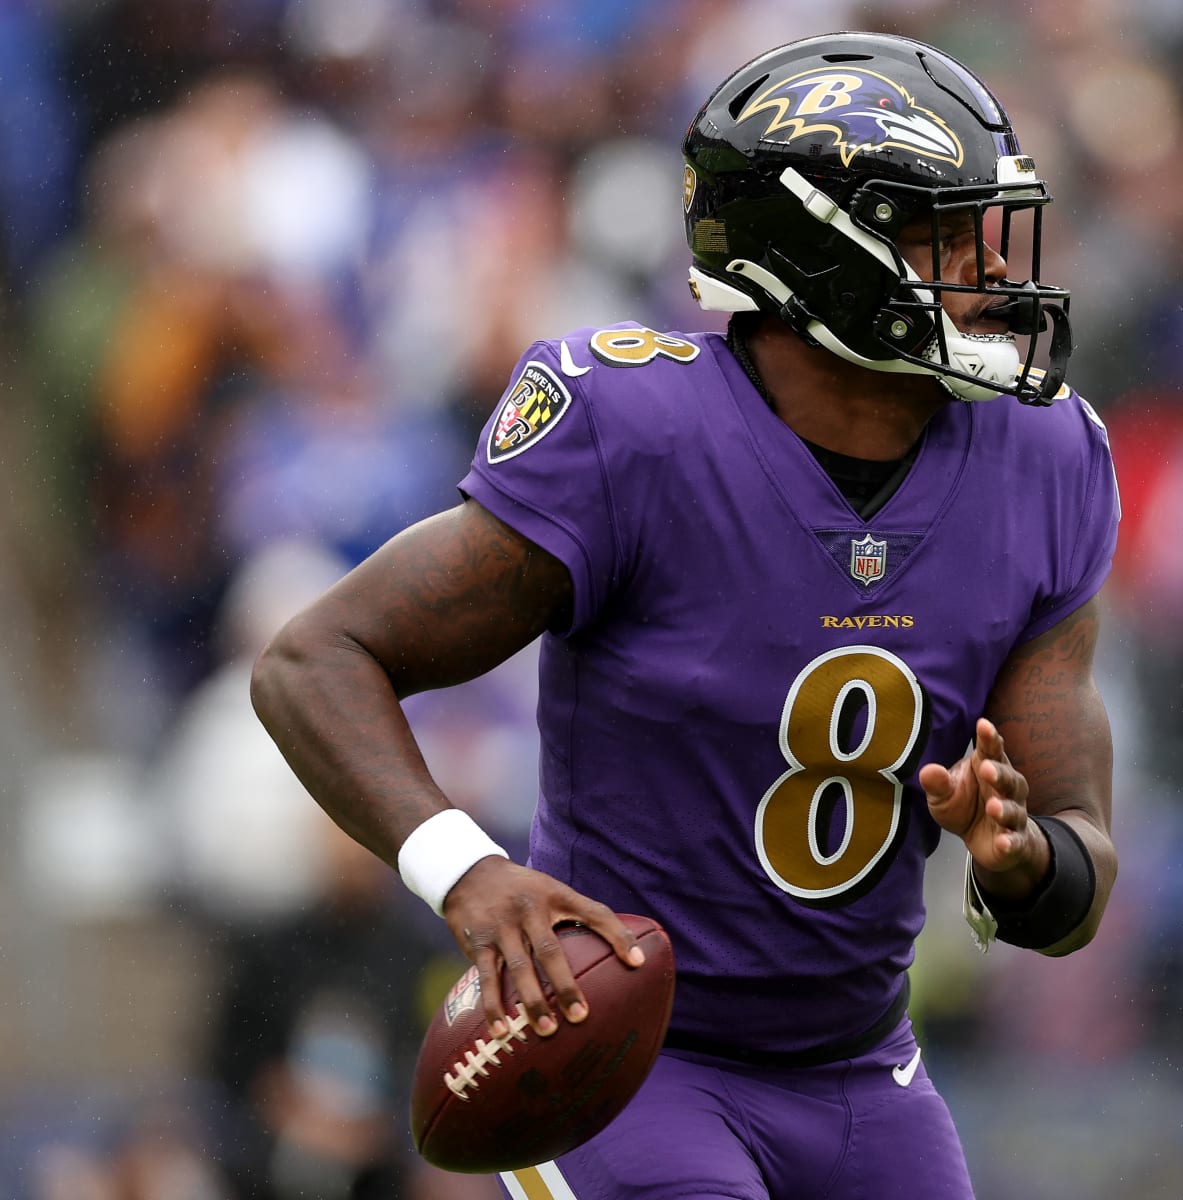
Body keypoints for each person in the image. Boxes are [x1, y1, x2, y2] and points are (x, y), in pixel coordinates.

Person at [252, 31, 1120, 1200]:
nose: (991, 268)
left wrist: (1023, 862)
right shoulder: (636, 430)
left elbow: (1075, 878)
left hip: (864, 1067)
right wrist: (465, 871)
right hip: (625, 1056)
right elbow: (315, 659)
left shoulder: (1046, 454)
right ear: (821, 254)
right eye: (942, 233)